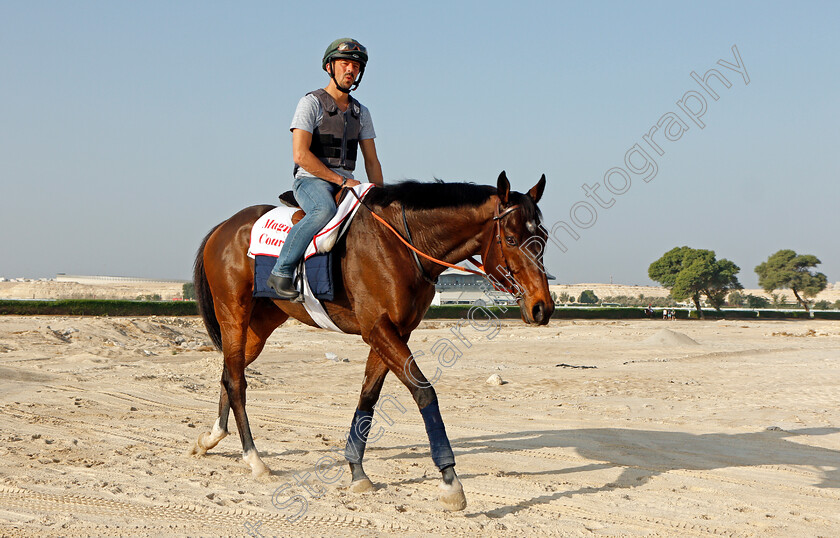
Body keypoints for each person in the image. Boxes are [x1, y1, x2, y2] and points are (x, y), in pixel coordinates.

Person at [267, 38, 384, 300]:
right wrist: (340, 182)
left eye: (355, 66)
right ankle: (281, 271)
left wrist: (382, 198)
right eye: (344, 64)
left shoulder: (361, 112)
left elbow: (372, 161)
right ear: (330, 67)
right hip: (311, 181)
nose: (350, 70)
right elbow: (301, 154)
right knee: (324, 210)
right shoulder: (311, 103)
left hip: (347, 182)